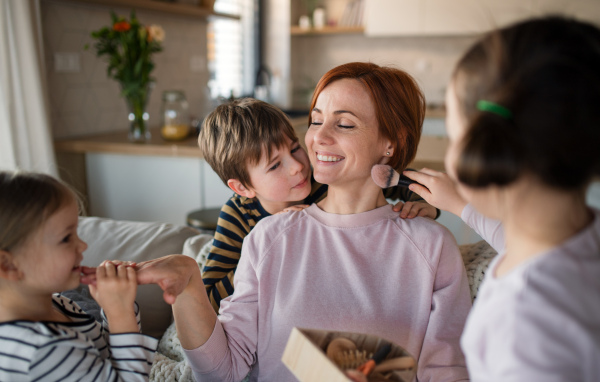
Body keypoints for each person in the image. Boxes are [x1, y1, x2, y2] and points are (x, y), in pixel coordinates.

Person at [134, 62, 472, 381]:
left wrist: (432, 207)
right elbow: (223, 372)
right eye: (315, 120)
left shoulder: (432, 245)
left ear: (390, 143)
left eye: (344, 124)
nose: (317, 138)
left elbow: (445, 371)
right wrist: (188, 285)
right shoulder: (267, 236)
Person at [403, 16, 600, 381]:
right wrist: (461, 205)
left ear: (484, 152)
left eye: (452, 136)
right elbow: (515, 243)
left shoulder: (525, 321)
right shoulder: (578, 236)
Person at [197, 98, 438, 311]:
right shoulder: (238, 214)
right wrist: (267, 250)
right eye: (274, 165)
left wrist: (425, 204)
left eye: (294, 148)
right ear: (243, 188)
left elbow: (402, 179)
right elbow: (208, 299)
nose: (298, 166)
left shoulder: (324, 181)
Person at [0, 171, 157, 381]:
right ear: (7, 264)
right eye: (66, 238)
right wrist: (121, 313)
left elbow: (111, 361)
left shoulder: (61, 304)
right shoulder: (42, 350)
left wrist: (116, 308)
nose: (83, 245)